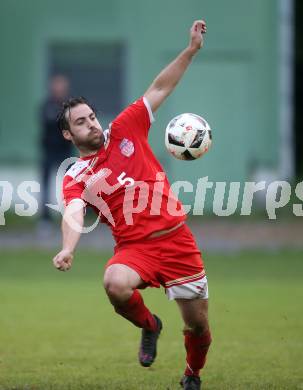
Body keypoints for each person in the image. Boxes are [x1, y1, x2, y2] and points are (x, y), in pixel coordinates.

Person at [53, 20, 211, 390]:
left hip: (177, 242)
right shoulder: (76, 174)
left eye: (91, 117)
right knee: (114, 282)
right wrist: (67, 248)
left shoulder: (126, 128)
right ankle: (150, 325)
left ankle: (192, 374)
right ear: (68, 134)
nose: (91, 124)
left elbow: (160, 87)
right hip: (135, 249)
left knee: (199, 326)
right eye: (81, 123)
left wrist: (190, 51)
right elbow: (74, 211)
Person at [39, 74, 72, 226]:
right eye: (56, 85)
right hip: (49, 150)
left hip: (65, 151)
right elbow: (50, 123)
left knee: (72, 184)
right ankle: (45, 219)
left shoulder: (70, 106)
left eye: (62, 86)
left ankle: (73, 216)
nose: (59, 89)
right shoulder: (46, 105)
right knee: (45, 184)